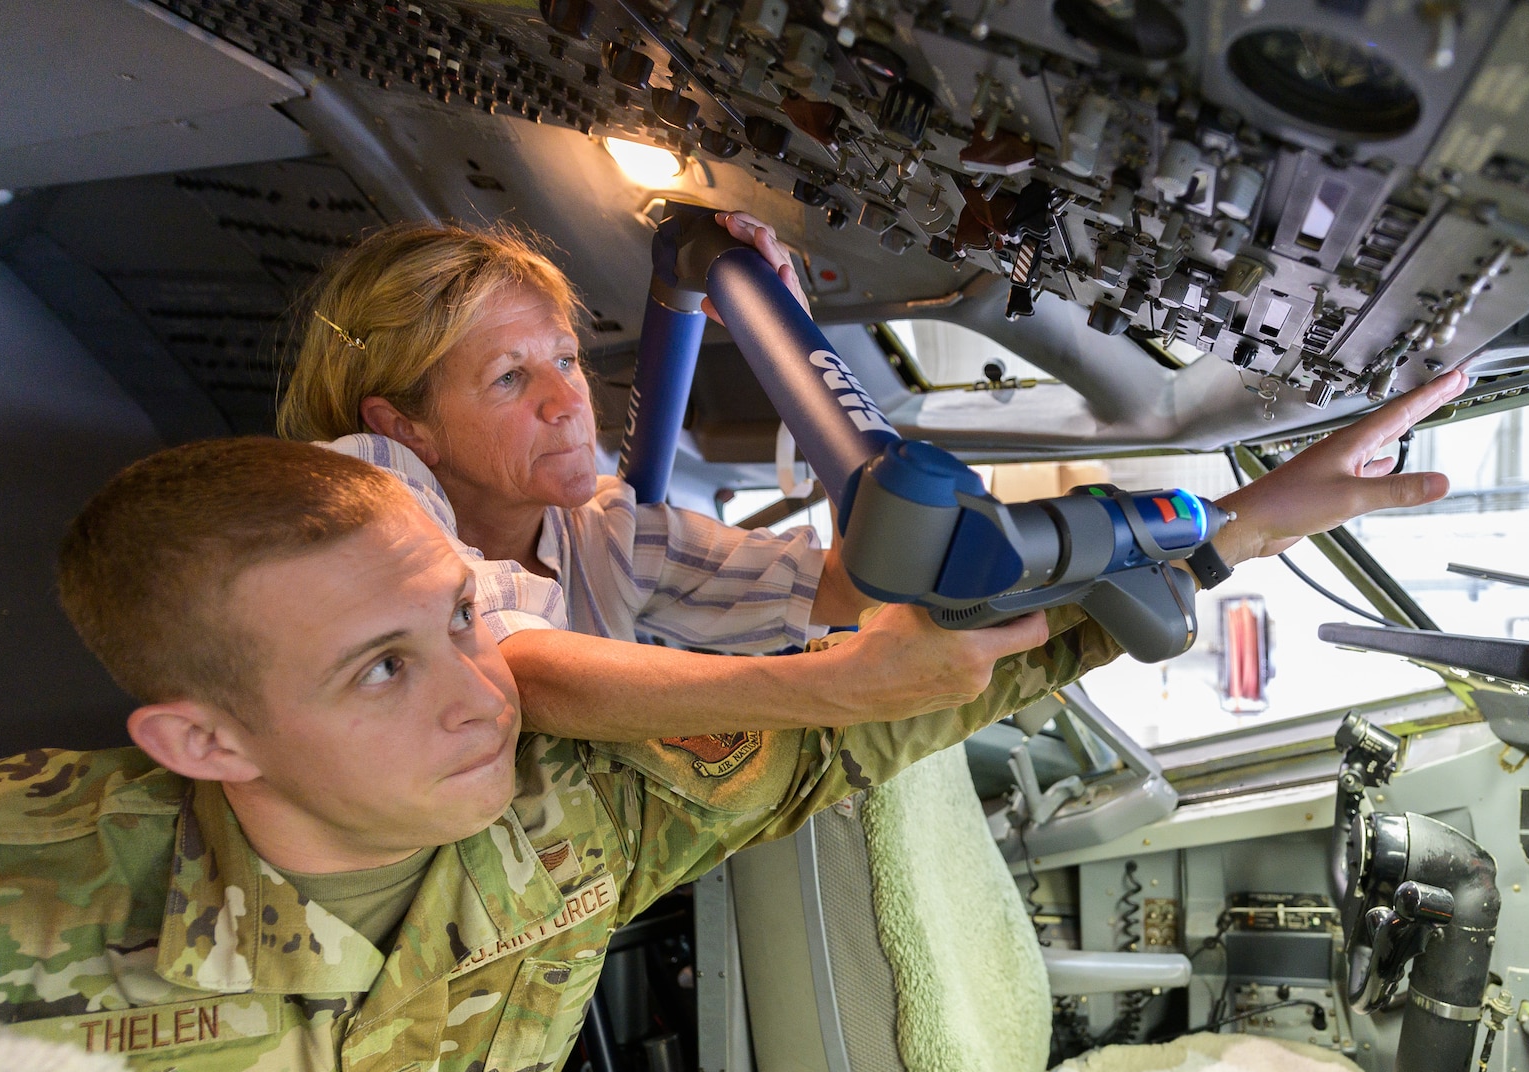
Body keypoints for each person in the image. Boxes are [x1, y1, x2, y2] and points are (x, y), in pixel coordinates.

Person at [0, 372, 1458, 1072]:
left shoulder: (568, 806)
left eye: (461, 619)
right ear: (204, 744)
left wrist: (1238, 527)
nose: (475, 690)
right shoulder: (19, 877)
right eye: (378, 668)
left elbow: (895, 707)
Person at [278, 211, 1012, 742]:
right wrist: (841, 687)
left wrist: (784, 334)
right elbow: (517, 673)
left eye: (565, 360)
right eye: (509, 377)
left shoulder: (607, 533)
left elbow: (840, 586)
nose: (568, 401)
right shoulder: (362, 484)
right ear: (404, 425)